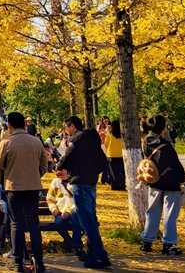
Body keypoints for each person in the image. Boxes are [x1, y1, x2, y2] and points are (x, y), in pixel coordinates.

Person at [0, 112, 48, 273]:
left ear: (9, 125)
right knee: (33, 224)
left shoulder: (6, 143)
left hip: (13, 188)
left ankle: (18, 262)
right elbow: (44, 166)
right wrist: (33, 177)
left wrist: (5, 180)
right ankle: (39, 261)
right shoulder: (36, 142)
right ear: (25, 124)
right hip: (33, 188)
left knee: (16, 224)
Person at [59, 115, 110, 269]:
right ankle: (98, 254)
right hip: (90, 182)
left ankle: (98, 255)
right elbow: (102, 160)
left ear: (72, 126)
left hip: (80, 182)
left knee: (87, 221)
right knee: (91, 218)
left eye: (66, 128)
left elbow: (67, 156)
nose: (66, 132)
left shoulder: (77, 139)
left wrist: (59, 166)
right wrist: (94, 173)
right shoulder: (92, 138)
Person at [140, 114, 185, 255]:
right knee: (169, 214)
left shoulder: (145, 142)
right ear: (164, 128)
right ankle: (168, 244)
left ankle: (147, 241)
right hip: (171, 182)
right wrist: (182, 179)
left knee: (152, 212)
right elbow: (175, 165)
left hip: (153, 181)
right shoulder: (166, 146)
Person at [47, 164, 80, 254]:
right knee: (58, 223)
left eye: (60, 170)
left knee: (75, 217)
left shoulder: (75, 183)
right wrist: (53, 209)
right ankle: (68, 240)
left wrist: (69, 211)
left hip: (73, 211)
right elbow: (50, 199)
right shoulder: (55, 182)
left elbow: (79, 202)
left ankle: (77, 243)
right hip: (60, 212)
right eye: (56, 170)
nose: (57, 172)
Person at [104, 120, 125, 191]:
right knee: (121, 172)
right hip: (121, 155)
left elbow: (106, 143)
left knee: (113, 172)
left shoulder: (109, 134)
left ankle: (115, 186)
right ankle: (122, 185)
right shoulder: (123, 134)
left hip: (111, 155)